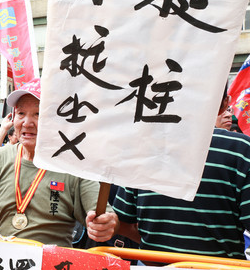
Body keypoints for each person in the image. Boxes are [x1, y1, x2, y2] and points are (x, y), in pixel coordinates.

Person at [0, 79, 118, 246]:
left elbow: (107, 217)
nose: (27, 123)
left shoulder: (74, 163)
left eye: (38, 114)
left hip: (52, 261)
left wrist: (105, 224)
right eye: (21, 113)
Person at [101, 87, 250, 259]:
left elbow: (123, 223)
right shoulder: (241, 149)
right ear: (224, 104)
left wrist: (157, 252)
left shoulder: (143, 145)